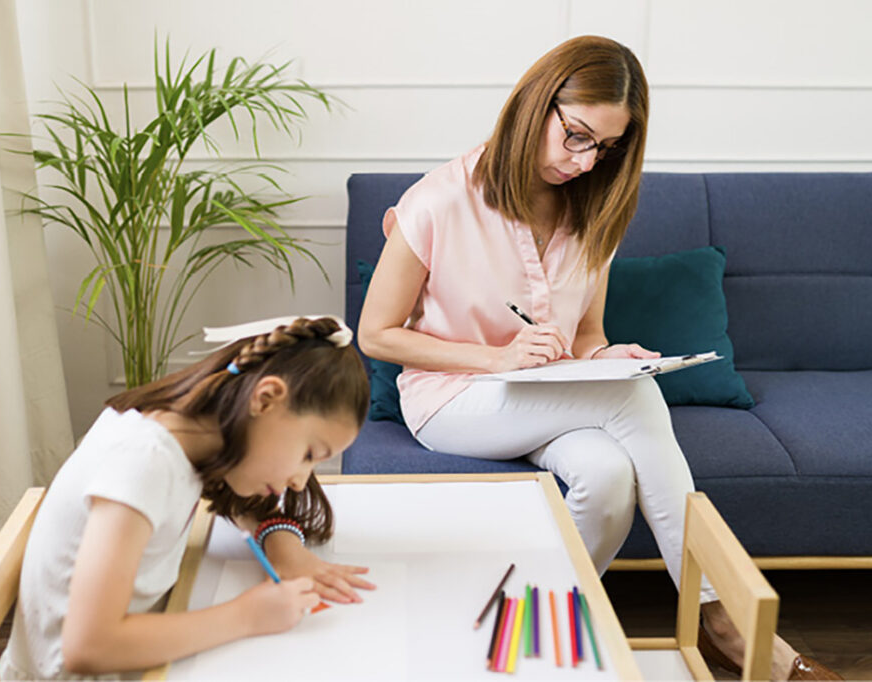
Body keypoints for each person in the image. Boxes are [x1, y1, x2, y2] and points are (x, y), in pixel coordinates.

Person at [358, 36, 839, 681]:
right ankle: (719, 615)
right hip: (449, 398)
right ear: (537, 103)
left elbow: (585, 333)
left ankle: (512, 631)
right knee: (635, 398)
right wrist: (496, 358)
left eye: (605, 148)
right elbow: (376, 335)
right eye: (578, 136)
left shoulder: (592, 207)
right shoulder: (439, 200)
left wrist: (609, 354)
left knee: (608, 476)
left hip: (542, 397)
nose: (586, 162)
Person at [0, 316, 375, 680]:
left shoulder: (183, 429)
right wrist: (247, 616)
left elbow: (245, 503)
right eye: (309, 453)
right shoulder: (144, 464)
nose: (299, 481)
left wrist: (284, 549)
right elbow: (88, 646)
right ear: (265, 400)